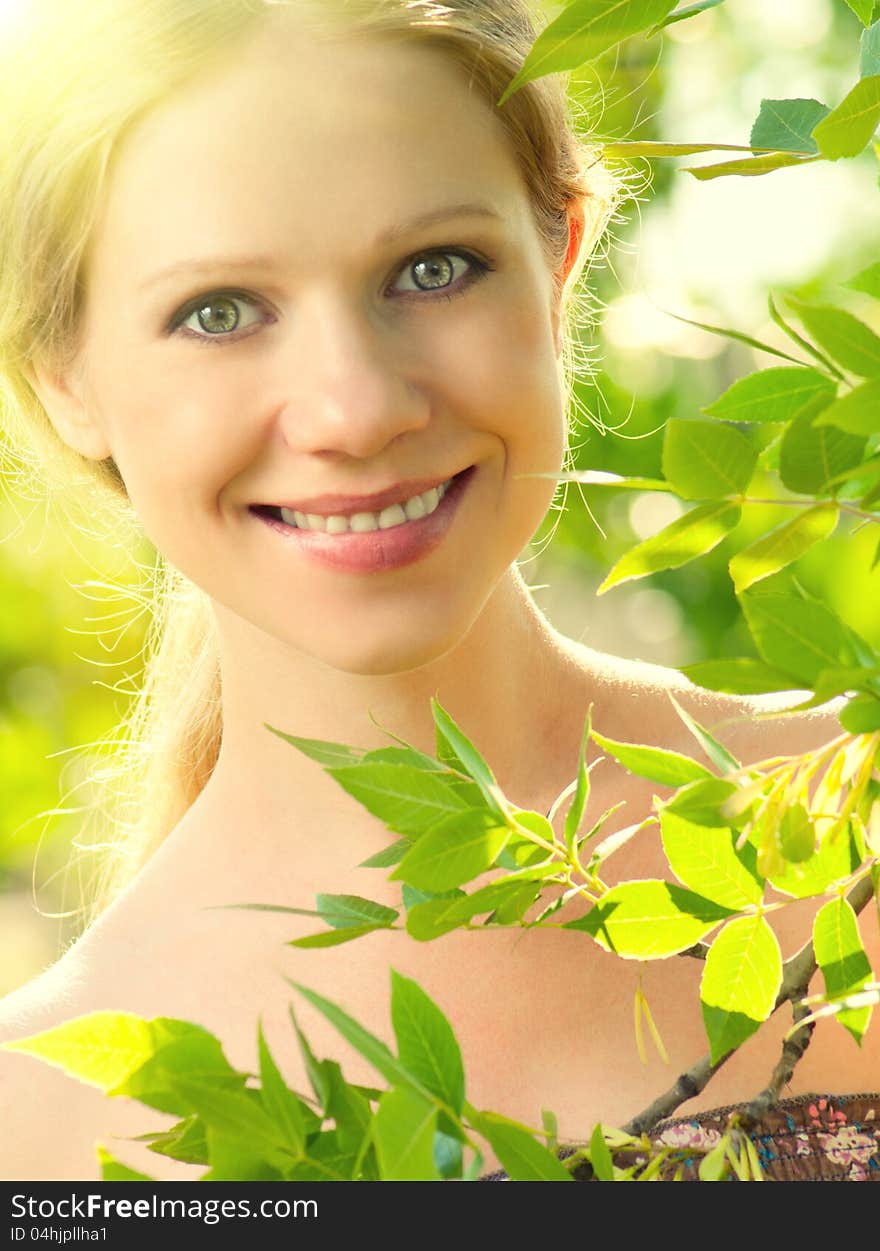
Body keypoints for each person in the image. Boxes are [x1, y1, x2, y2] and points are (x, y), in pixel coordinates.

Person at [0, 0, 876, 1183]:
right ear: (62, 376)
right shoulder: (40, 1116)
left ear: (558, 263)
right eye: (217, 313)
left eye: (431, 269)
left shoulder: (854, 823)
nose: (357, 410)